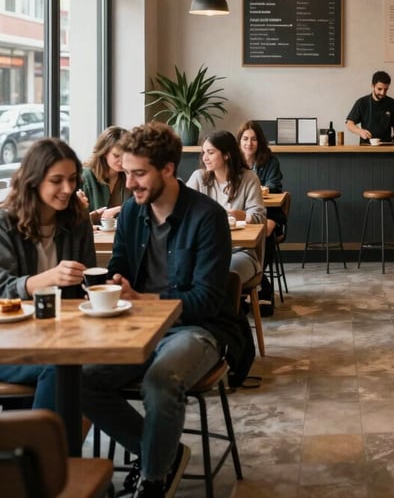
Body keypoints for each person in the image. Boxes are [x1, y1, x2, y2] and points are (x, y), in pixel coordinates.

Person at [81, 122, 241, 498]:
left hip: (196, 330)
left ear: (168, 169)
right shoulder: (133, 214)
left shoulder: (208, 218)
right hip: (137, 327)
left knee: (161, 380)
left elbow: (207, 301)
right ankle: (160, 454)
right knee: (79, 379)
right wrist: (113, 283)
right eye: (127, 173)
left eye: (139, 174)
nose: (130, 183)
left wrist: (143, 300)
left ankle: (153, 481)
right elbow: (120, 262)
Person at [0, 138, 95, 410]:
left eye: (73, 179)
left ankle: (43, 450)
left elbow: (86, 284)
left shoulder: (77, 221)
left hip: (60, 339)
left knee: (78, 369)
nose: (68, 189)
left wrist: (102, 286)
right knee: (62, 369)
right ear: (34, 180)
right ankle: (45, 451)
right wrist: (45, 279)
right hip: (9, 342)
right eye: (57, 180)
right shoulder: (5, 223)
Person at [186, 130, 266, 283]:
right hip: (204, 251)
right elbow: (183, 211)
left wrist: (240, 215)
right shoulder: (199, 177)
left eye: (210, 152)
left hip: (240, 252)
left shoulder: (249, 178)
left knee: (218, 274)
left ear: (226, 155)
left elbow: (260, 217)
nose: (205, 158)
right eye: (203, 153)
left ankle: (230, 306)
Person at [237, 119, 284, 239]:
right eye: (245, 139)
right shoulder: (233, 162)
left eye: (254, 139)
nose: (249, 143)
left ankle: (264, 258)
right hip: (239, 209)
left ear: (260, 142)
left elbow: (273, 187)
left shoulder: (271, 161)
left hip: (268, 210)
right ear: (239, 141)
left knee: (263, 230)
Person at [79, 125, 130, 225]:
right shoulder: (85, 177)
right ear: (104, 152)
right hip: (95, 238)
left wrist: (120, 209)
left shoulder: (128, 177)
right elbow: (74, 221)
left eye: (126, 155)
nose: (122, 161)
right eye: (116, 155)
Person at [345, 70, 394, 144]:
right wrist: (360, 131)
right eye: (379, 89)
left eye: (386, 89)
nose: (382, 93)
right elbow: (349, 124)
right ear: (372, 86)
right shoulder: (362, 102)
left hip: (387, 146)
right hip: (366, 146)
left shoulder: (392, 103)